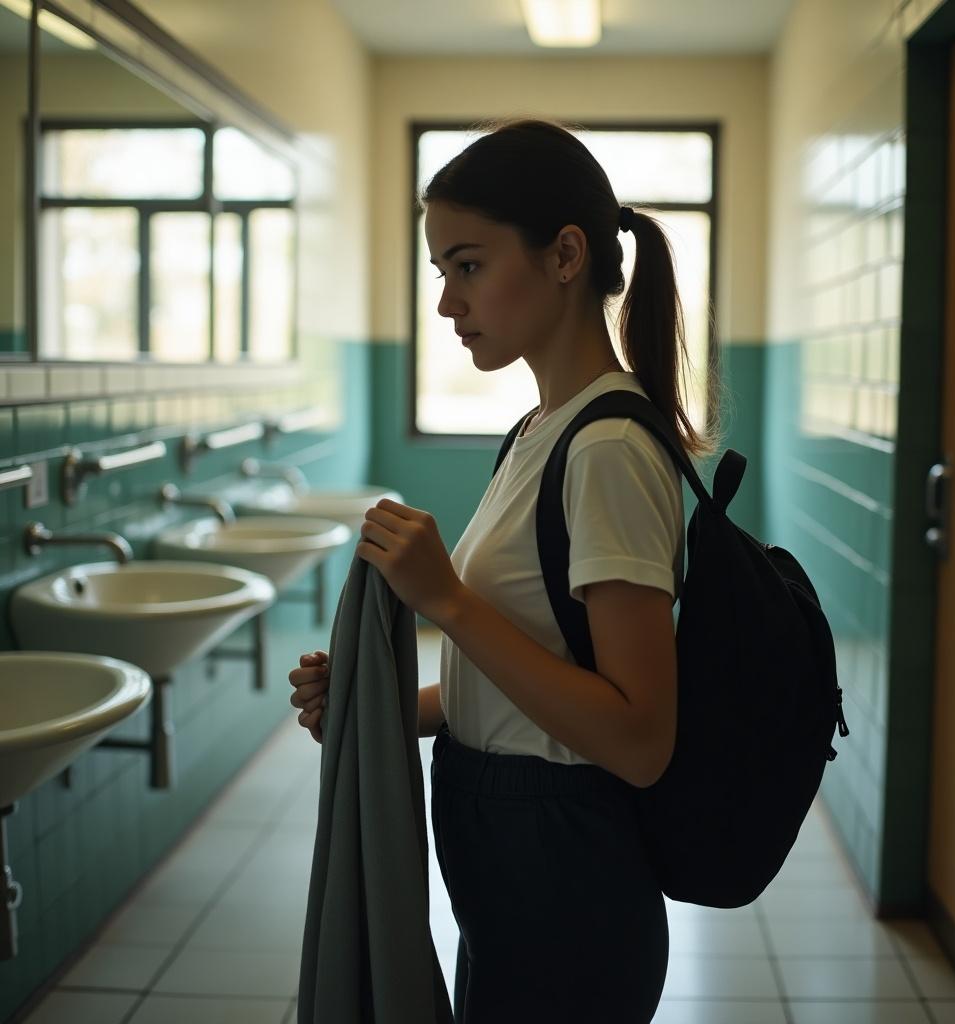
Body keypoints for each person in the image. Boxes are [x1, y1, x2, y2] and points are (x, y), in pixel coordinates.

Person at [289, 117, 722, 1023]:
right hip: (514, 869)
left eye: (469, 265)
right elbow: (539, 673)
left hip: (568, 882)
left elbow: (639, 740)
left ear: (566, 255)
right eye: (442, 272)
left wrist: (444, 600)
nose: (447, 303)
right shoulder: (539, 433)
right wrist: (386, 710)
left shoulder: (605, 449)